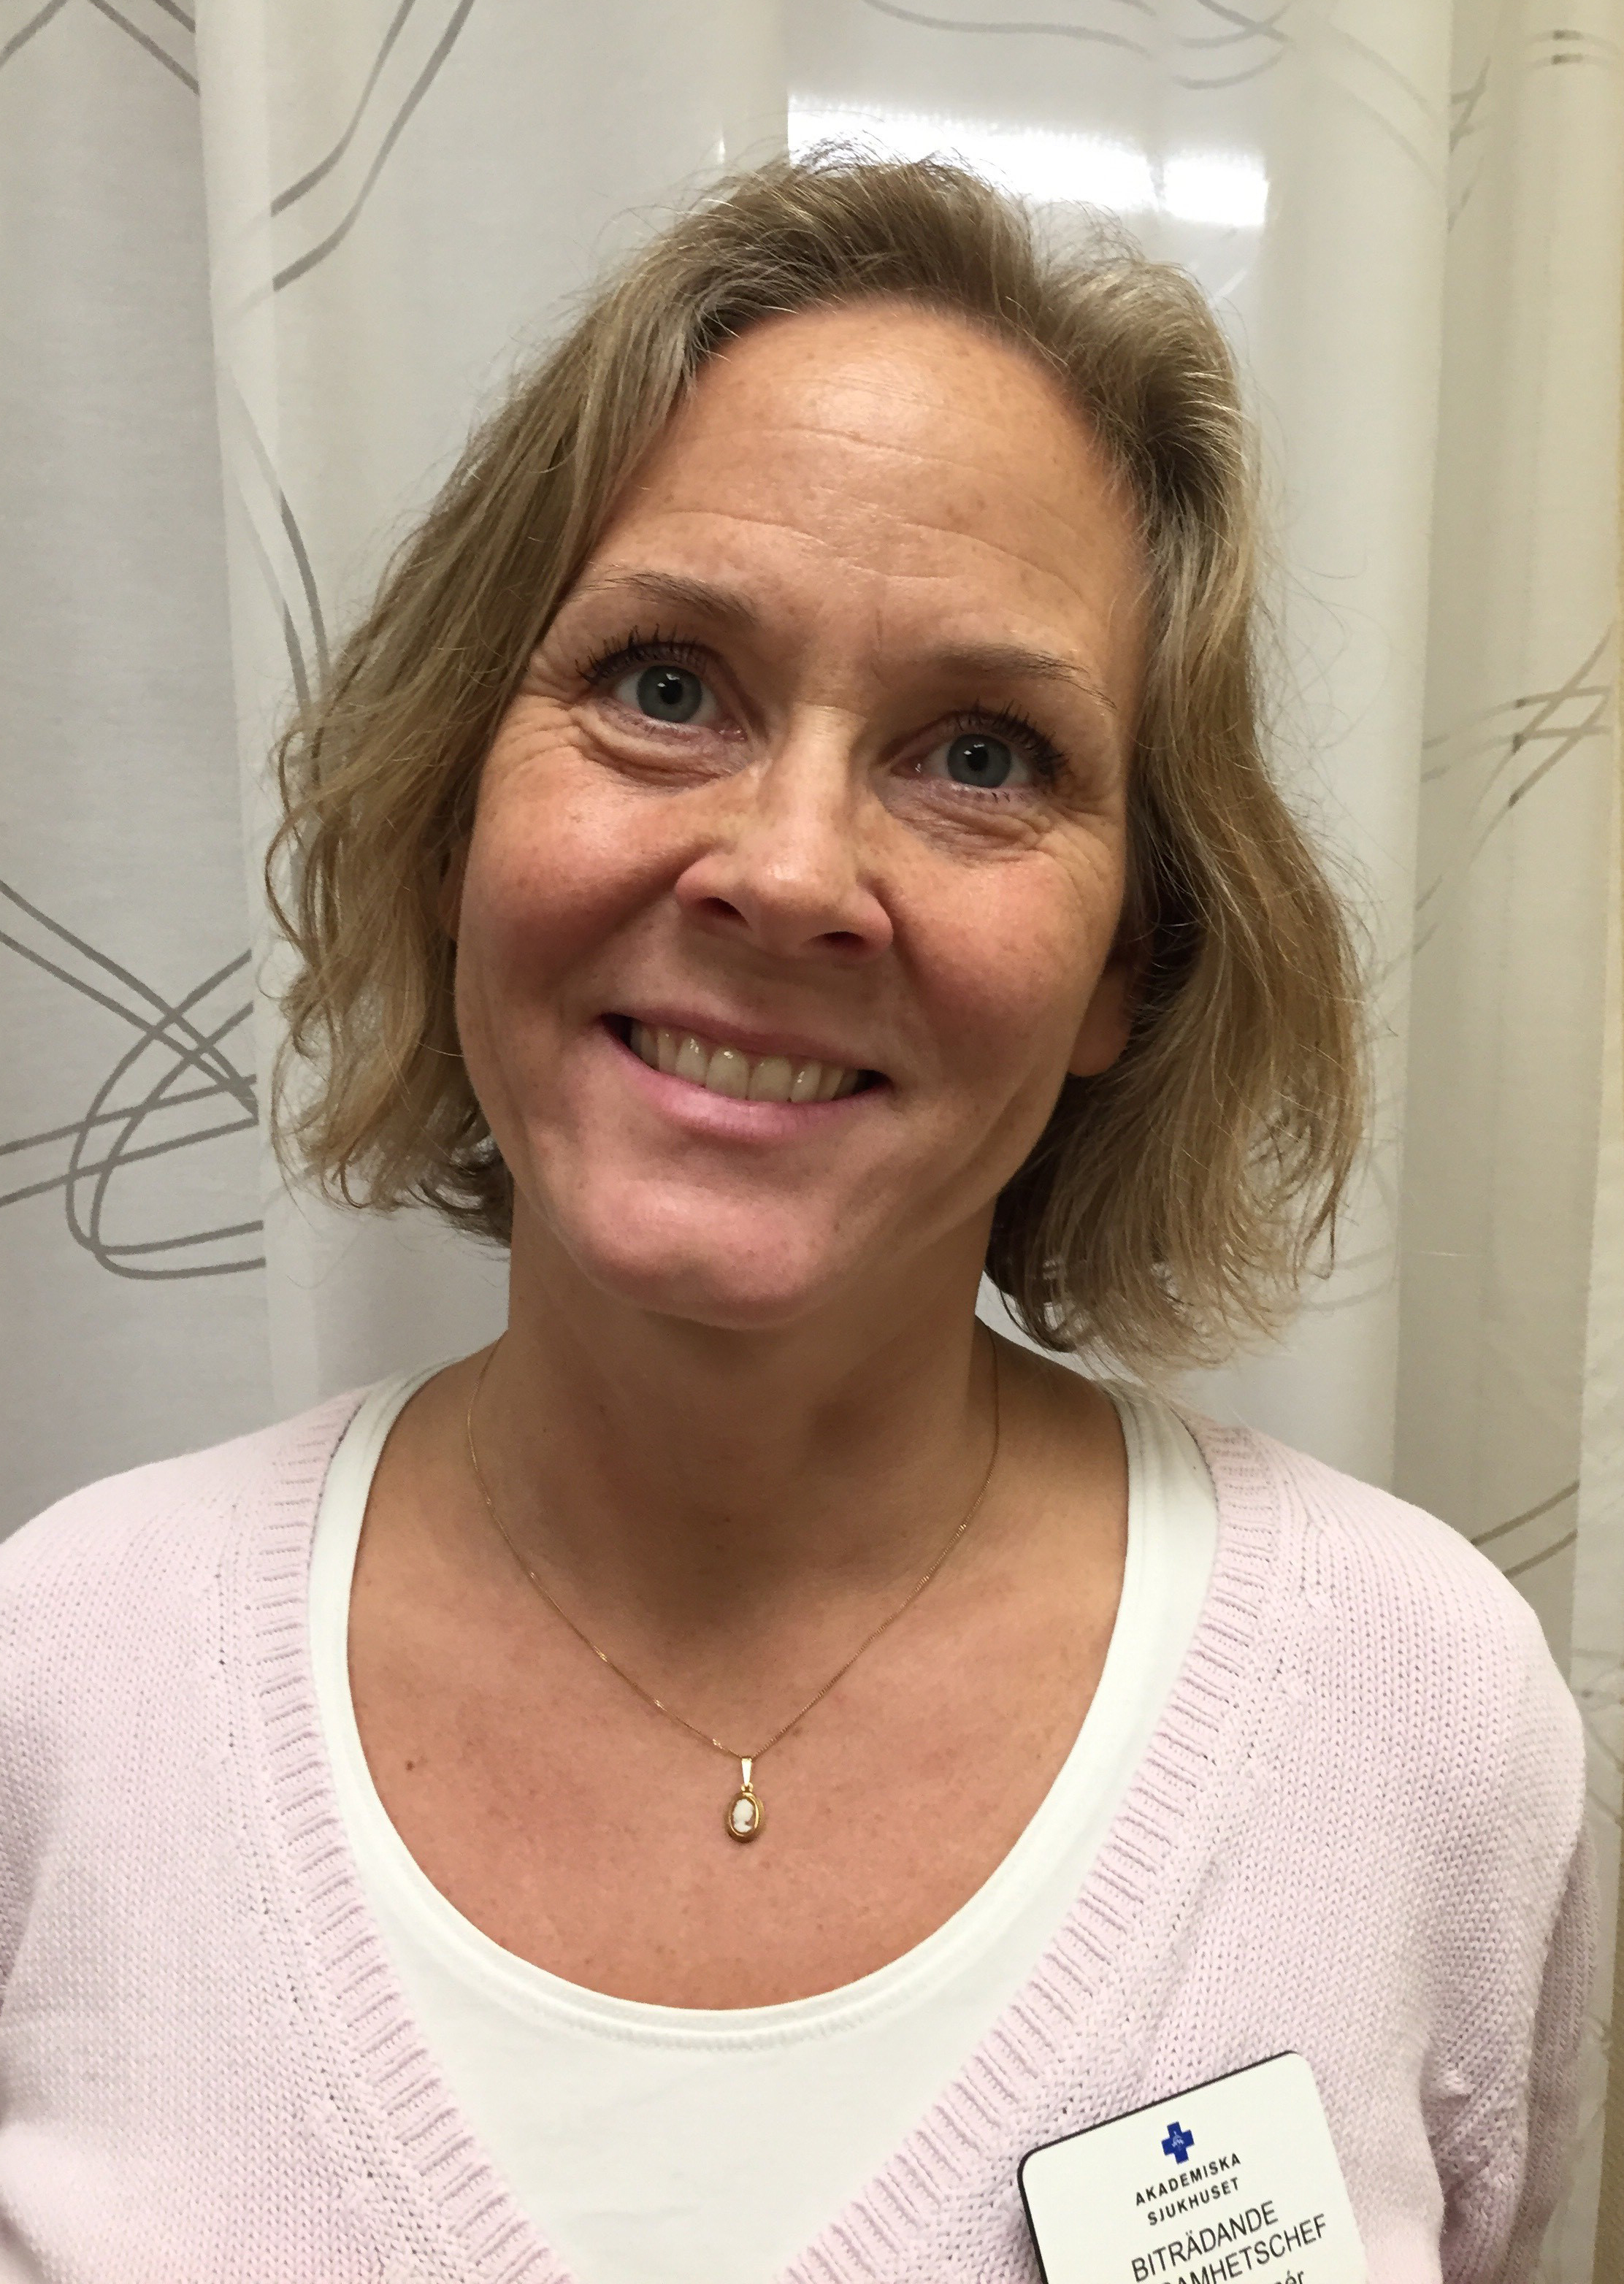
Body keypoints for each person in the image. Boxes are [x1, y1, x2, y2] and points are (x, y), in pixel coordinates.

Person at [0, 153, 1591, 2284]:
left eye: (982, 757)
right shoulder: (61, 1683)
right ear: (458, 811)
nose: (787, 871)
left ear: (1130, 964)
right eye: (667, 687)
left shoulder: (1423, 1719)